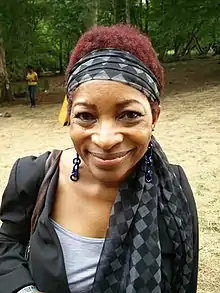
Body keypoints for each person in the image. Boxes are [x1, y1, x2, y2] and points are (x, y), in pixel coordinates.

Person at [0, 25, 198, 293]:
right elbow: (6, 243)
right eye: (86, 116)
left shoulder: (173, 190)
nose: (105, 139)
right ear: (69, 117)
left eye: (129, 115)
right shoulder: (32, 176)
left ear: (155, 117)